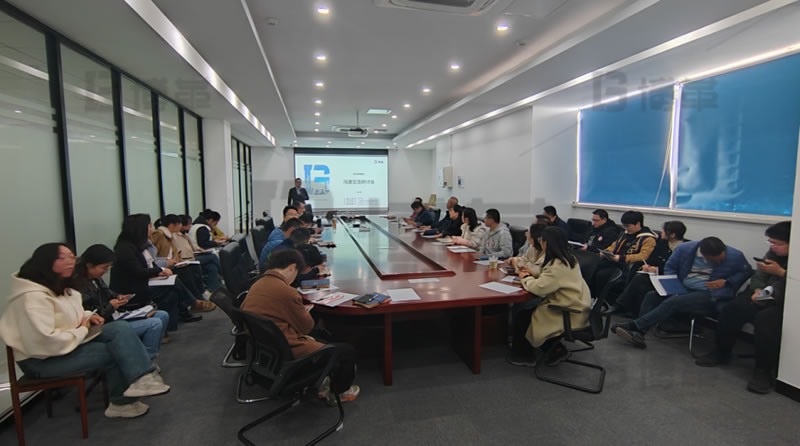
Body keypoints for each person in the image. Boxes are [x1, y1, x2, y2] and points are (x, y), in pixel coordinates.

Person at [0, 243, 170, 419]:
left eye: (72, 256)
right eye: (63, 257)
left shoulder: (60, 286)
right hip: (42, 361)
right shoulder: (32, 298)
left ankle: (143, 378)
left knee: (119, 328)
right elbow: (47, 341)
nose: (71, 261)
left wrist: (89, 316)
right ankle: (122, 402)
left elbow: (72, 314)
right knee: (118, 350)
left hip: (66, 346)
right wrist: (82, 328)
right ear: (46, 263)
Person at [241, 249, 360, 404]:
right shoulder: (286, 291)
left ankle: (325, 380)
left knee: (322, 337)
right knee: (346, 351)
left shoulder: (257, 284)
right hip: (287, 349)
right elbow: (307, 327)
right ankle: (339, 392)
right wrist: (302, 312)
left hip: (267, 349)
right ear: (292, 267)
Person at [695, 221, 791, 394]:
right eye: (771, 242)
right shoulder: (772, 254)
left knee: (765, 320)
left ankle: (763, 371)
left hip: (784, 301)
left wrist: (781, 273)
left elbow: (791, 286)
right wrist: (758, 290)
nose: (773, 246)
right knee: (732, 309)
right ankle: (722, 352)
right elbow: (759, 275)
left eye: (777, 243)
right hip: (762, 293)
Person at [614, 236, 752, 349]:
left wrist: (727, 282)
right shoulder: (685, 249)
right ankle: (639, 333)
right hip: (683, 287)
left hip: (711, 293)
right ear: (704, 255)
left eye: (721, 257)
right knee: (652, 296)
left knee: (674, 302)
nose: (720, 260)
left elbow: (746, 272)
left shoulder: (734, 255)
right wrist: (672, 284)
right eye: (715, 259)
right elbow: (670, 267)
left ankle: (635, 326)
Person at [507, 227, 592, 366]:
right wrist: (532, 272)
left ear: (546, 243)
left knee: (524, 316)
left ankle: (524, 356)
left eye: (542, 240)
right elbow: (546, 274)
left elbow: (539, 288)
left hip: (568, 310)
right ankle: (555, 349)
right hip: (576, 303)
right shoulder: (567, 258)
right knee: (528, 312)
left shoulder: (558, 265)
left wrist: (525, 277)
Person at [111, 214, 203, 332]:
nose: (152, 229)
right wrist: (160, 270)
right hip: (132, 289)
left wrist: (159, 271)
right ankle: (192, 303)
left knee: (173, 289)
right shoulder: (125, 249)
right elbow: (138, 271)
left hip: (144, 282)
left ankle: (170, 326)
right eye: (149, 226)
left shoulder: (140, 245)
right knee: (173, 284)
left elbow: (150, 264)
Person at [75, 244, 170, 355]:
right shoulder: (78, 285)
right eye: (104, 267)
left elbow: (107, 292)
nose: (105, 271)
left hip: (114, 315)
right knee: (154, 324)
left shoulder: (95, 278)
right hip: (102, 325)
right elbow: (91, 314)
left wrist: (118, 297)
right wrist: (111, 306)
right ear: (89, 265)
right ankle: (145, 359)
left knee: (162, 315)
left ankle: (144, 356)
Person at [605, 220, 688, 316]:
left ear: (672, 234)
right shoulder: (662, 243)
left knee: (640, 280)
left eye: (664, 231)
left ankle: (620, 306)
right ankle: (626, 308)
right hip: (654, 274)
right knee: (638, 274)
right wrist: (647, 266)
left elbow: (676, 269)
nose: (661, 232)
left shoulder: (684, 249)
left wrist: (657, 269)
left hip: (669, 279)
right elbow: (652, 257)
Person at [589, 210, 657, 301]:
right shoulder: (624, 234)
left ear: (638, 224)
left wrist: (621, 258)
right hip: (614, 261)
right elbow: (614, 246)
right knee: (592, 268)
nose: (626, 229)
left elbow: (643, 256)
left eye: (628, 226)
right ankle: (593, 297)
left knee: (602, 275)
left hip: (629, 266)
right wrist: (605, 252)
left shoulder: (648, 238)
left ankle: (603, 300)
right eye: (624, 226)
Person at [175, 214, 223, 291]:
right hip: (186, 260)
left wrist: (199, 249)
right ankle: (225, 274)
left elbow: (193, 246)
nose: (191, 226)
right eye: (189, 224)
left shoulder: (185, 235)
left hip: (193, 256)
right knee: (212, 256)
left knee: (211, 267)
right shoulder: (175, 237)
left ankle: (215, 289)